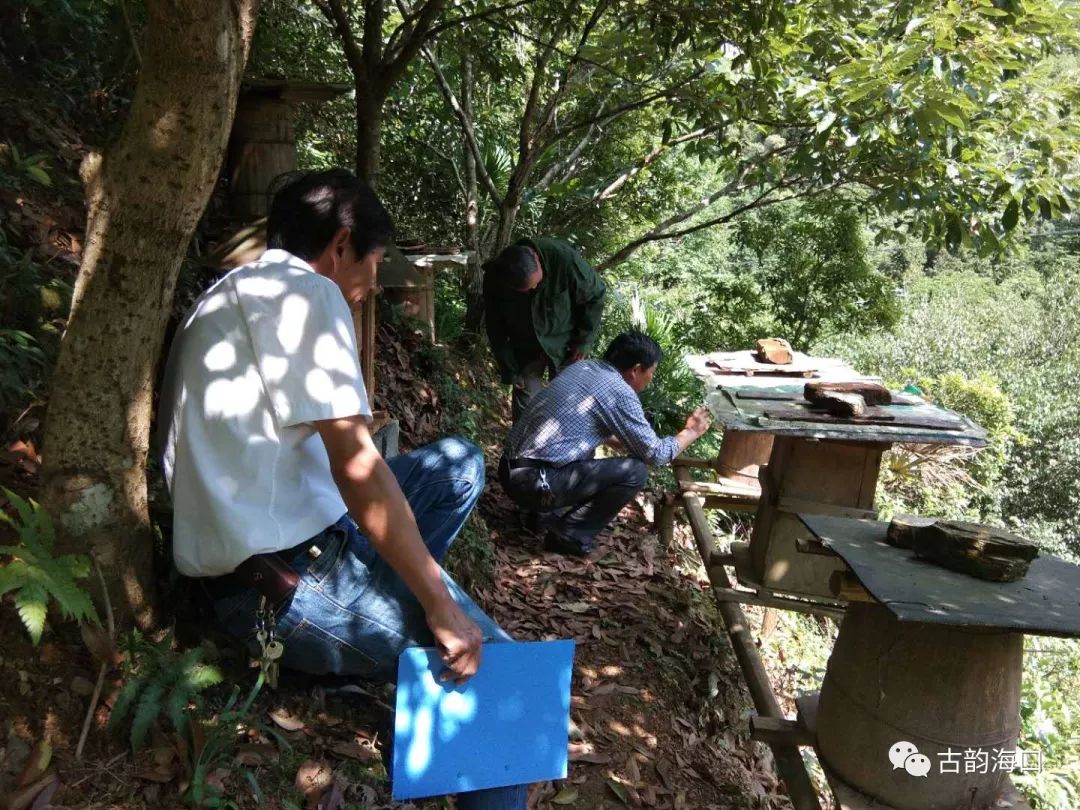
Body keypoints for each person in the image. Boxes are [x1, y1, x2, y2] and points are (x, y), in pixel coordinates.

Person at [158, 169, 526, 810]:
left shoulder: (225, 293)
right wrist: (441, 605)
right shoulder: (310, 295)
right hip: (279, 582)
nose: (373, 283)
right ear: (341, 245)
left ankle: (389, 624)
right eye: (375, 261)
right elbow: (358, 469)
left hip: (264, 545)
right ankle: (407, 633)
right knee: (502, 680)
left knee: (458, 463)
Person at [498, 330, 711, 556]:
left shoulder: (584, 367)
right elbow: (656, 454)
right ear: (636, 370)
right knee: (636, 472)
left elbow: (575, 422)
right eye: (652, 371)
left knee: (586, 453)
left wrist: (620, 441)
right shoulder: (620, 392)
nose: (651, 378)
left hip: (510, 470)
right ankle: (568, 536)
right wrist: (691, 431)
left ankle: (539, 515)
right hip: (535, 484)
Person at [482, 238, 606, 421]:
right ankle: (525, 441)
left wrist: (583, 342)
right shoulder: (495, 277)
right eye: (525, 291)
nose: (533, 290)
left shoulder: (564, 260)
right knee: (525, 410)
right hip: (525, 348)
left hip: (566, 346)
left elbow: (596, 295)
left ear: (536, 258)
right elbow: (495, 327)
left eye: (535, 284)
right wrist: (509, 368)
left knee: (569, 407)